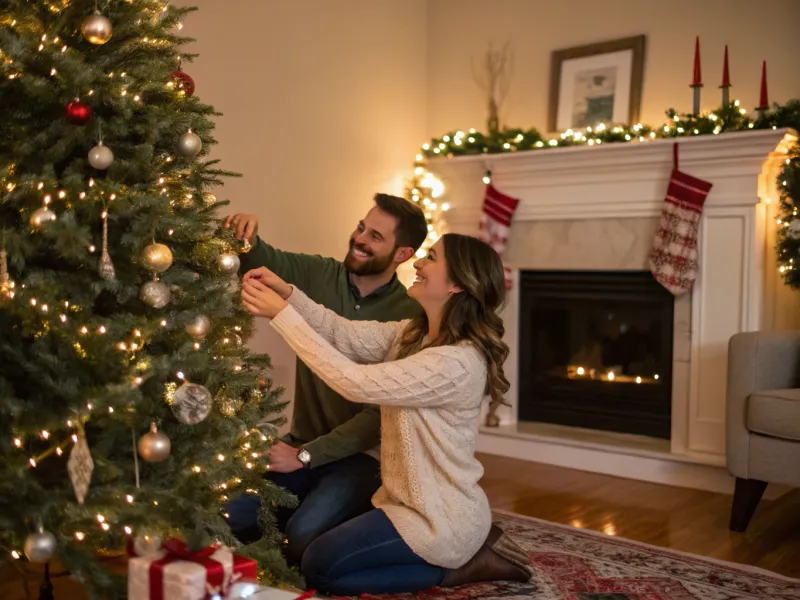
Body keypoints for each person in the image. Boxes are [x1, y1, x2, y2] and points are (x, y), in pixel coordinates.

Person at [239, 233, 531, 596]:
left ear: (456, 284)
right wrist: (289, 295)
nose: (419, 263)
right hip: (398, 504)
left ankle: (461, 567)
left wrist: (281, 316)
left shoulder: (457, 362)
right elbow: (339, 332)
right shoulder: (413, 335)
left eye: (432, 258)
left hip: (440, 520)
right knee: (313, 559)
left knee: (319, 568)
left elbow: (353, 382)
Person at [222, 194, 427, 565]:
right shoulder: (318, 274)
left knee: (304, 538)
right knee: (228, 515)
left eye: (375, 237)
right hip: (300, 443)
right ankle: (296, 512)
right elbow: (261, 259)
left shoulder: (410, 315)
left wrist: (305, 457)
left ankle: (357, 515)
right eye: (361, 227)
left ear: (402, 254)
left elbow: (378, 415)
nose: (359, 238)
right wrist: (246, 233)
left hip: (360, 459)